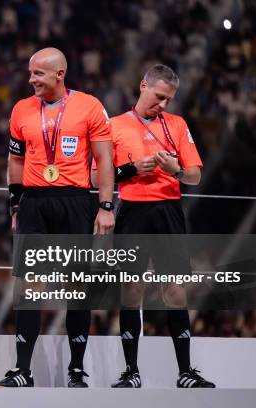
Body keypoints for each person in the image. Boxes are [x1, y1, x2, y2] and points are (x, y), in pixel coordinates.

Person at [0, 47, 115, 388]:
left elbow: (104, 161)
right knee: (29, 287)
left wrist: (106, 208)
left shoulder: (90, 106)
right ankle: (22, 371)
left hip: (74, 201)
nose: (31, 79)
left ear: (59, 74)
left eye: (38, 74)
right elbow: (15, 162)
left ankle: (76, 371)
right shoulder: (21, 109)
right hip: (34, 202)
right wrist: (16, 205)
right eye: (30, 73)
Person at [91, 64, 215, 388]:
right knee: (131, 290)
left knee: (175, 290)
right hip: (131, 210)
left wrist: (176, 169)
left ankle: (185, 372)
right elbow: (94, 176)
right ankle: (131, 372)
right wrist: (130, 170)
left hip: (168, 211)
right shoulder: (114, 125)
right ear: (143, 85)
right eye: (159, 97)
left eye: (168, 100)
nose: (163, 105)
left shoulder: (177, 124)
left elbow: (195, 175)